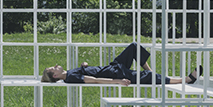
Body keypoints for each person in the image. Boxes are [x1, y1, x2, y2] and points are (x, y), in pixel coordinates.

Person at [41, 42, 201, 86]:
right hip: (115, 74)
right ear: (55, 75)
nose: (56, 65)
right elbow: (95, 80)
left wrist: (84, 65)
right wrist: (118, 81)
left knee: (133, 47)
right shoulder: (71, 77)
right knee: (150, 77)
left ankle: (150, 73)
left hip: (113, 66)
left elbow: (89, 73)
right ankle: (187, 80)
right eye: (53, 68)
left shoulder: (70, 73)